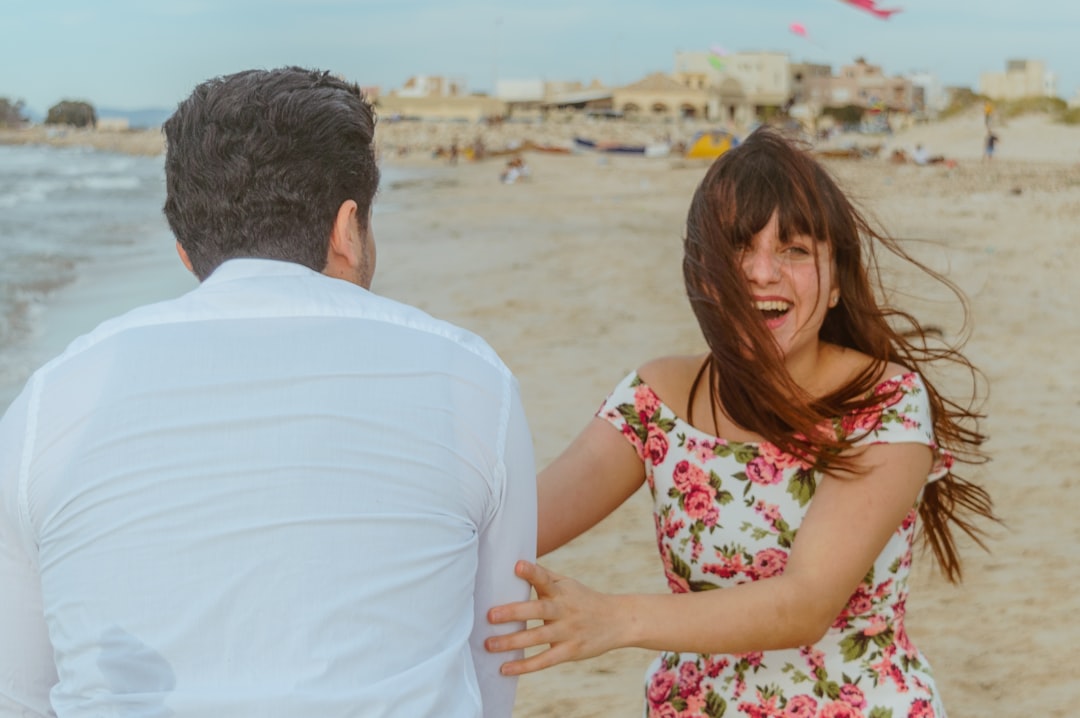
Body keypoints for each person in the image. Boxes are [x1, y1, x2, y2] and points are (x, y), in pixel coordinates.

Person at [0, 67, 536, 718]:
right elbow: (492, 666)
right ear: (347, 229)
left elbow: (23, 694)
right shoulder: (472, 379)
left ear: (184, 250)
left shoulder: (51, 398)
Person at [485, 127, 996, 716]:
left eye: (794, 249)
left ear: (835, 283)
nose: (761, 273)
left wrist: (612, 617)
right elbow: (514, 524)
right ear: (703, 274)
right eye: (738, 249)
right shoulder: (657, 398)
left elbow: (805, 604)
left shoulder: (886, 401)